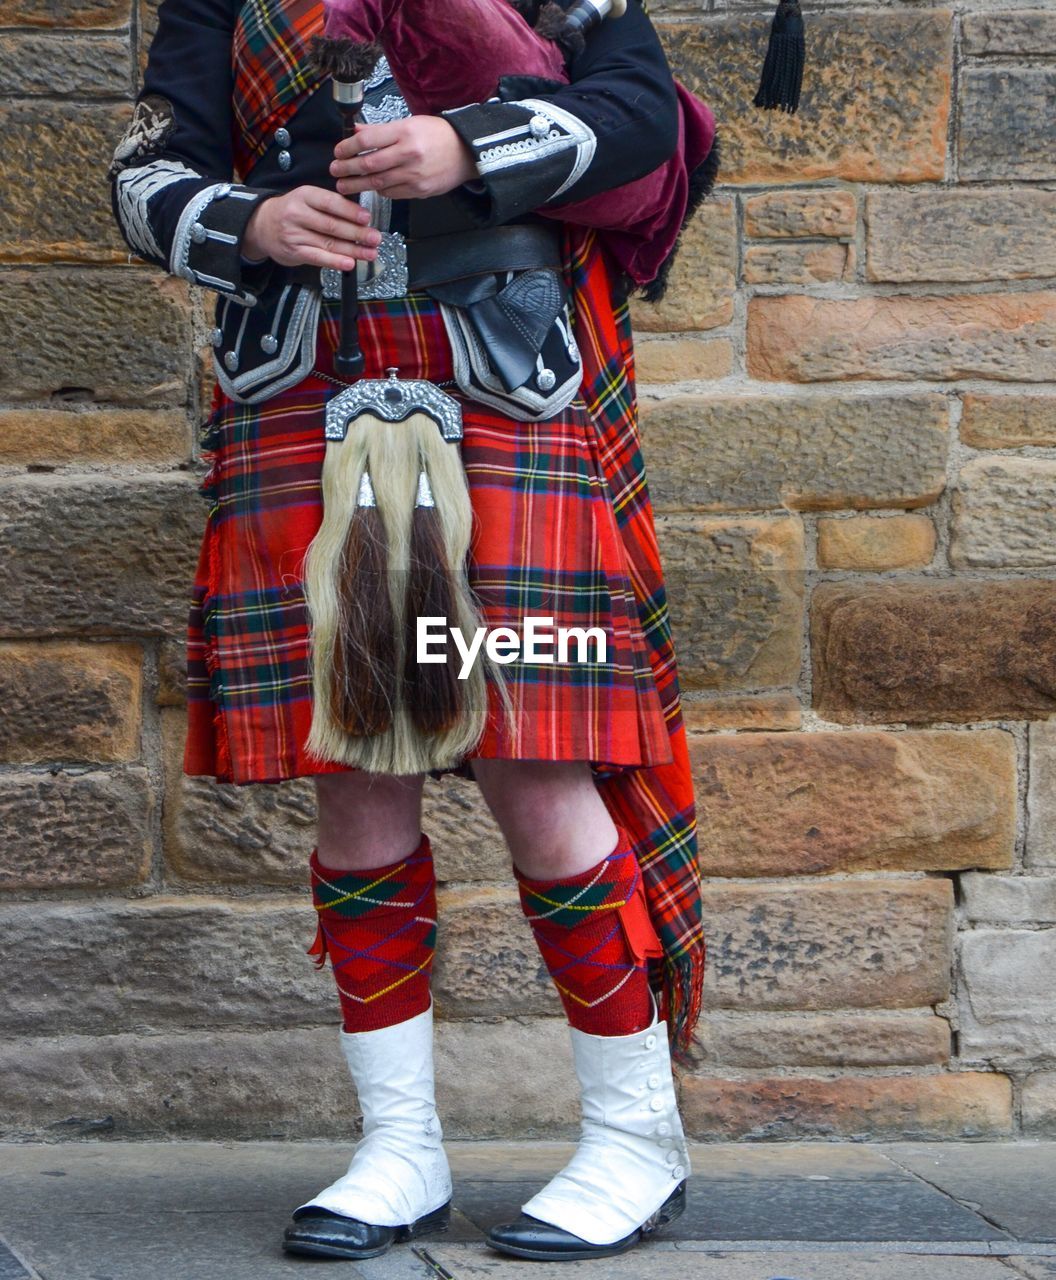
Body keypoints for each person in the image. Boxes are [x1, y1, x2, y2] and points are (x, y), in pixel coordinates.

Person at [107, 0, 714, 1262]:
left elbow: (640, 115)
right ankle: (399, 1147)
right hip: (312, 390)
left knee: (538, 767)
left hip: (505, 390)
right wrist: (254, 223)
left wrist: (465, 147)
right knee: (358, 770)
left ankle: (634, 1138)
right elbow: (147, 167)